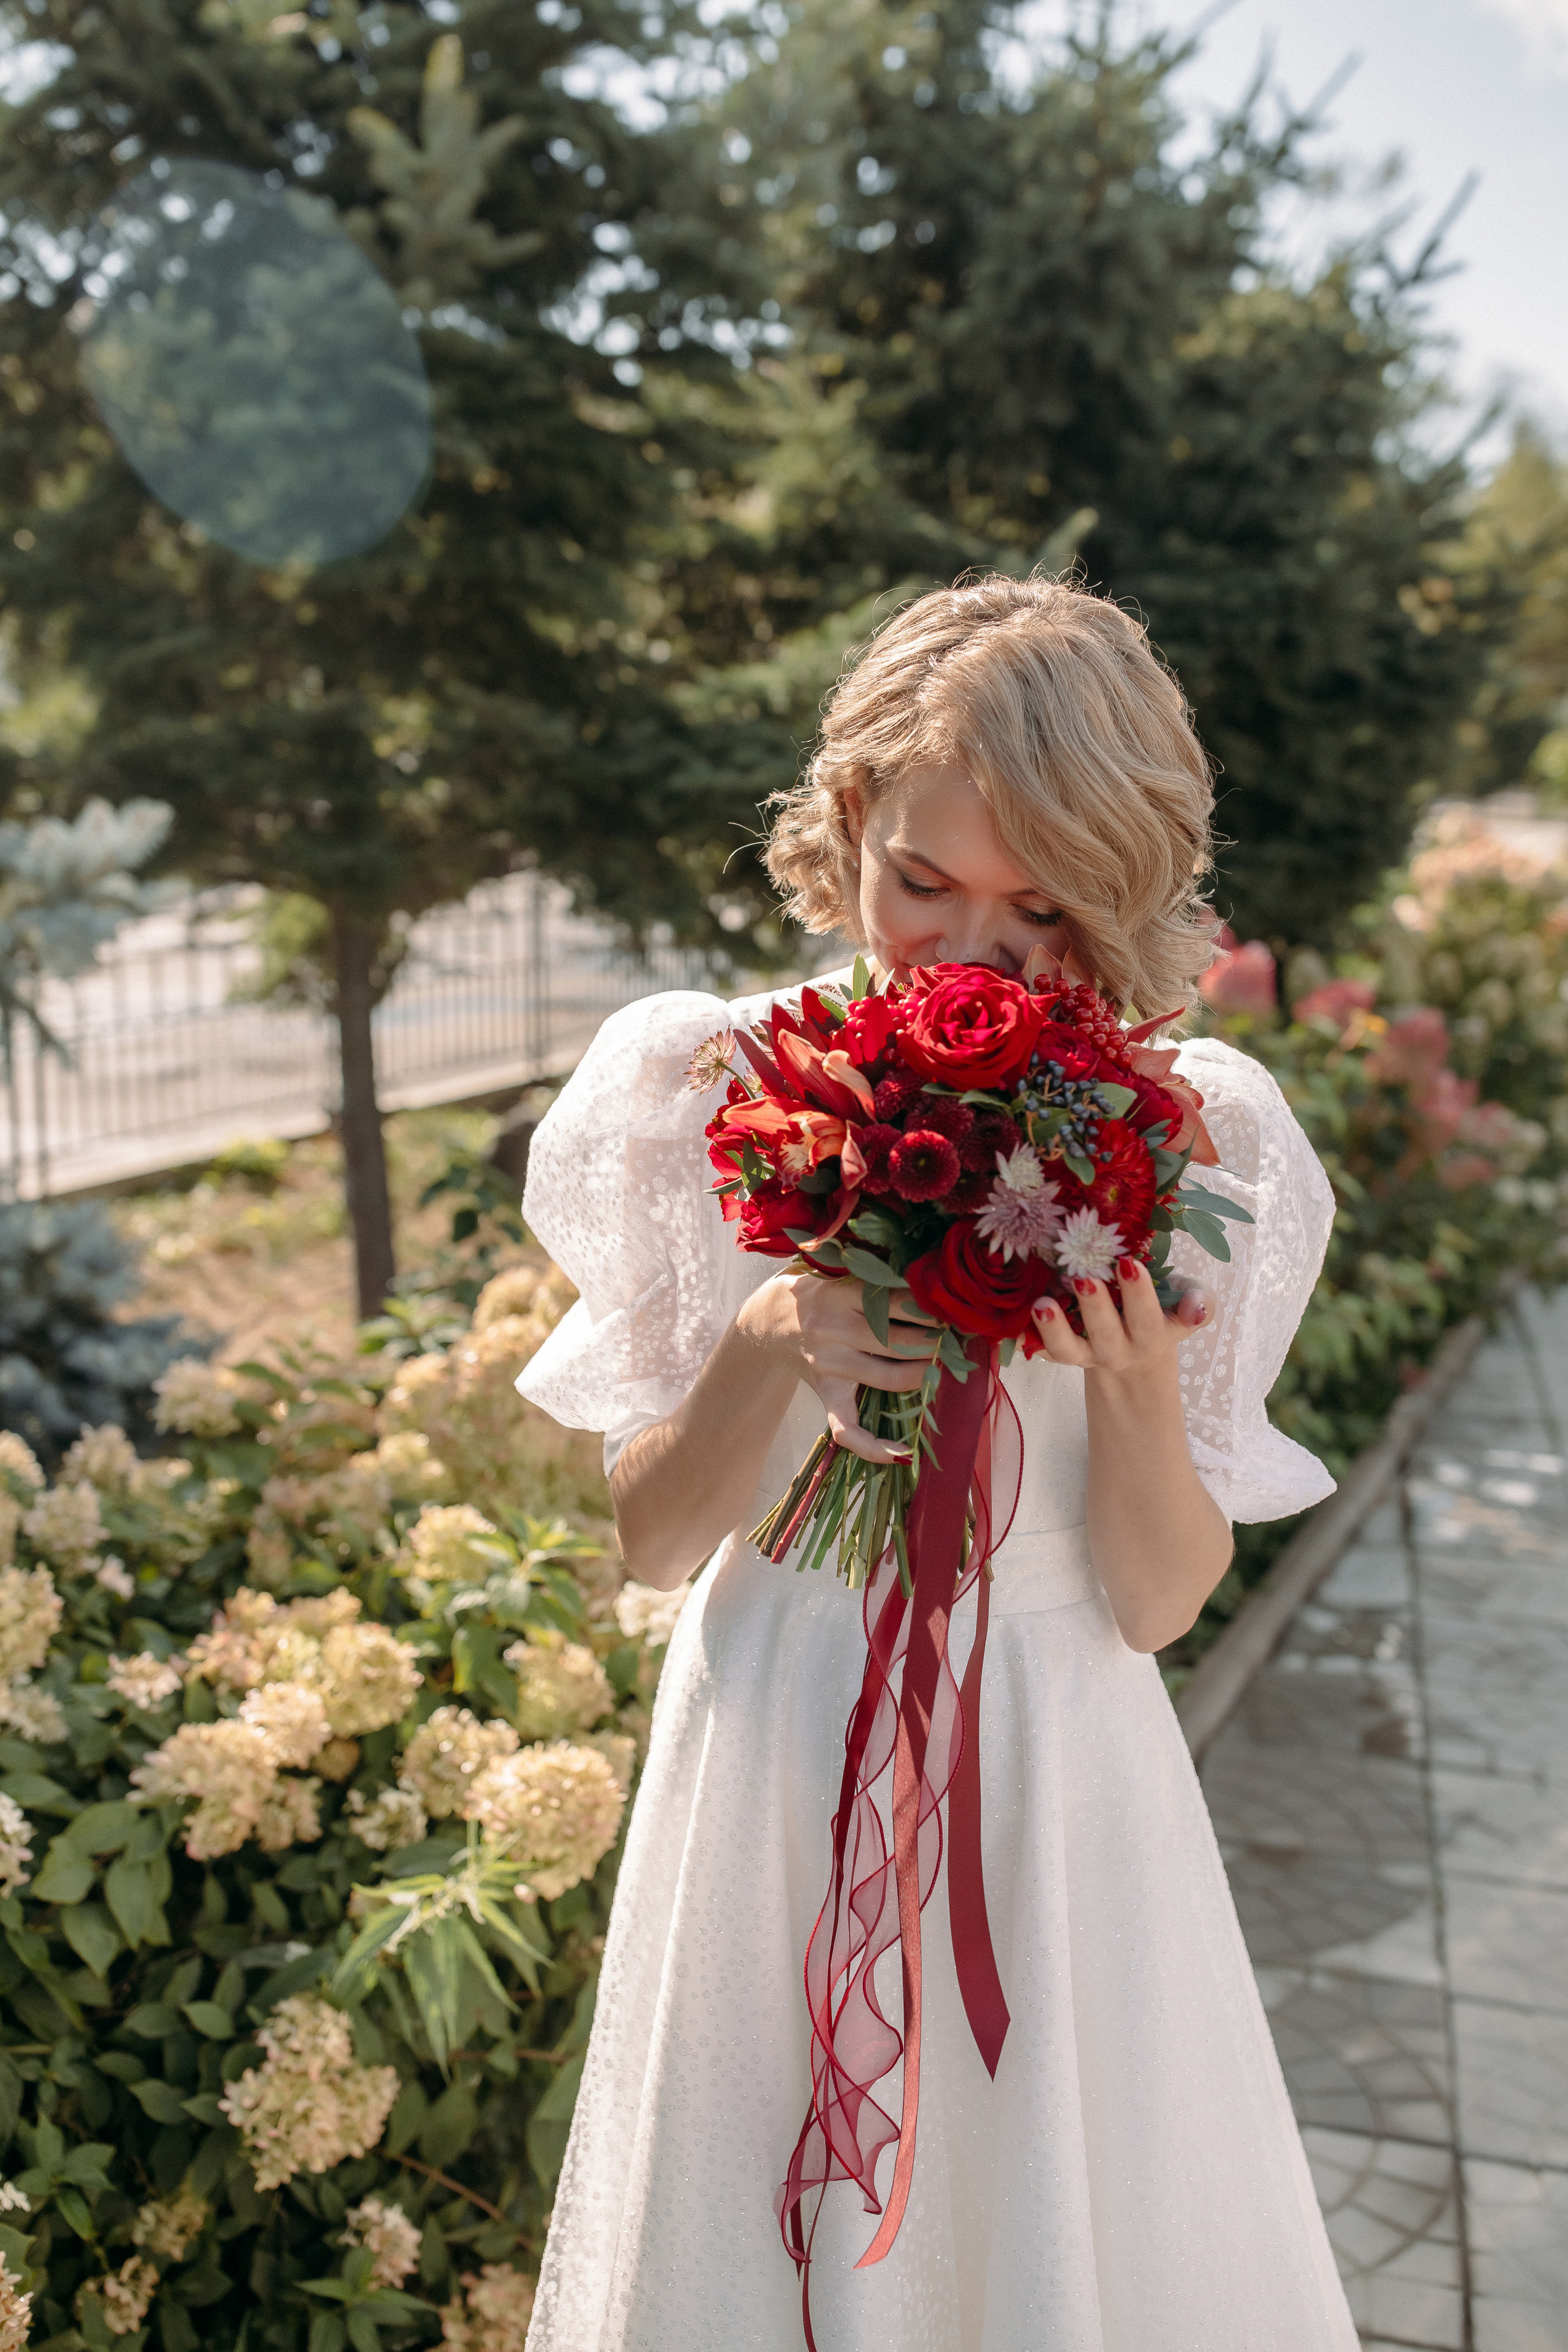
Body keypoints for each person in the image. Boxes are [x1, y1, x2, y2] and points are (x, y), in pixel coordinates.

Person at [516, 576, 1356, 2351]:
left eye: (1042, 911)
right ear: (846, 826)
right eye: (925, 884)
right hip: (780, 1729)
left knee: (1048, 2239)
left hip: (1055, 1763)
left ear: (1122, 888)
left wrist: (1131, 1392)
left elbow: (1155, 1599)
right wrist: (766, 1347)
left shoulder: (1190, 1137)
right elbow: (657, 1540)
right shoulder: (715, 1081)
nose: (973, 957)